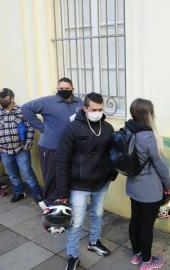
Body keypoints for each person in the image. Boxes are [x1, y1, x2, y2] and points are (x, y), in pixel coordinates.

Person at [55, 92, 117, 270]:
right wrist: (62, 194)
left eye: (100, 109)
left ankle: (94, 241)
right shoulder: (72, 129)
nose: (97, 112)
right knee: (76, 222)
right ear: (84, 109)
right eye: (93, 109)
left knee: (97, 214)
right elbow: (61, 161)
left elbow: (112, 155)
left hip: (101, 183)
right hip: (79, 186)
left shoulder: (107, 128)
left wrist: (111, 173)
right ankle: (73, 256)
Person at [22, 78, 82, 207]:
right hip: (51, 147)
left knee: (67, 176)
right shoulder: (47, 101)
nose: (64, 91)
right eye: (61, 88)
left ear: (73, 88)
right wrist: (42, 127)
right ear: (57, 89)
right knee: (52, 177)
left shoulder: (79, 102)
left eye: (67, 88)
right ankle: (49, 205)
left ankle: (65, 203)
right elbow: (26, 109)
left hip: (72, 147)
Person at [126, 98, 170, 270]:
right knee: (146, 226)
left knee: (135, 221)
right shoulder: (147, 136)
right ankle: (147, 261)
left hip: (133, 187)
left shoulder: (128, 130)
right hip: (149, 191)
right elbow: (162, 167)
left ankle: (136, 255)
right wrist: (167, 186)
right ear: (148, 114)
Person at [0, 88, 42, 203]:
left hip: (21, 149)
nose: (1, 100)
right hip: (4, 151)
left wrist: (28, 143)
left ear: (11, 99)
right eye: (0, 98)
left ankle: (37, 193)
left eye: (3, 98)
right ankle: (19, 192)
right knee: (12, 174)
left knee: (27, 172)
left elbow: (30, 128)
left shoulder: (22, 111)